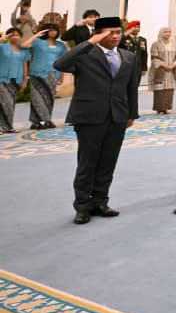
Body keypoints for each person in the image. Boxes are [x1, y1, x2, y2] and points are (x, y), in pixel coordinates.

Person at [54, 16, 138, 224]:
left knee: (108, 162)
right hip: (89, 116)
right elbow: (60, 64)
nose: (116, 36)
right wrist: (89, 42)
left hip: (117, 116)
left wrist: (131, 114)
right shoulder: (85, 54)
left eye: (118, 32)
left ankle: (101, 202)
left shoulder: (128, 56)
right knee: (87, 163)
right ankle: (82, 206)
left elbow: (131, 87)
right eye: (110, 32)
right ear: (98, 34)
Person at [22, 23, 66, 129]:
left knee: (49, 97)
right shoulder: (37, 42)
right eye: (50, 30)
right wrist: (37, 35)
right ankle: (35, 122)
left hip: (54, 73)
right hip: (37, 73)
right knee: (36, 97)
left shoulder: (61, 45)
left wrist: (62, 76)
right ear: (45, 31)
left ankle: (47, 120)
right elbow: (24, 46)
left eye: (55, 29)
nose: (53, 32)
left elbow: (63, 61)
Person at [0, 27, 30, 133]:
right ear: (8, 36)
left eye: (17, 35)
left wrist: (25, 81)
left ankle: (8, 126)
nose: (15, 37)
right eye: (12, 35)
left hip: (16, 80)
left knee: (10, 103)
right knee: (4, 102)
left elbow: (25, 65)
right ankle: (3, 126)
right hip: (3, 79)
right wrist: (2, 39)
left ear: (21, 37)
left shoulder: (24, 50)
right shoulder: (2, 47)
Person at [149, 27, 176, 115]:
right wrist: (164, 65)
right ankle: (160, 108)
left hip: (171, 70)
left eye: (169, 32)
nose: (168, 33)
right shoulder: (156, 44)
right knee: (160, 90)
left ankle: (166, 107)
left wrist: (173, 65)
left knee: (169, 90)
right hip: (160, 70)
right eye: (165, 32)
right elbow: (154, 57)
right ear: (161, 33)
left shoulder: (174, 44)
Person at [121, 21, 147, 88]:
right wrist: (127, 32)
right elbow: (118, 41)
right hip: (126, 66)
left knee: (135, 86)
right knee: (126, 86)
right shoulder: (124, 38)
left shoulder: (142, 39)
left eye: (138, 27)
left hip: (138, 67)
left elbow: (144, 54)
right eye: (134, 27)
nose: (137, 29)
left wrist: (144, 68)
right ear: (129, 28)